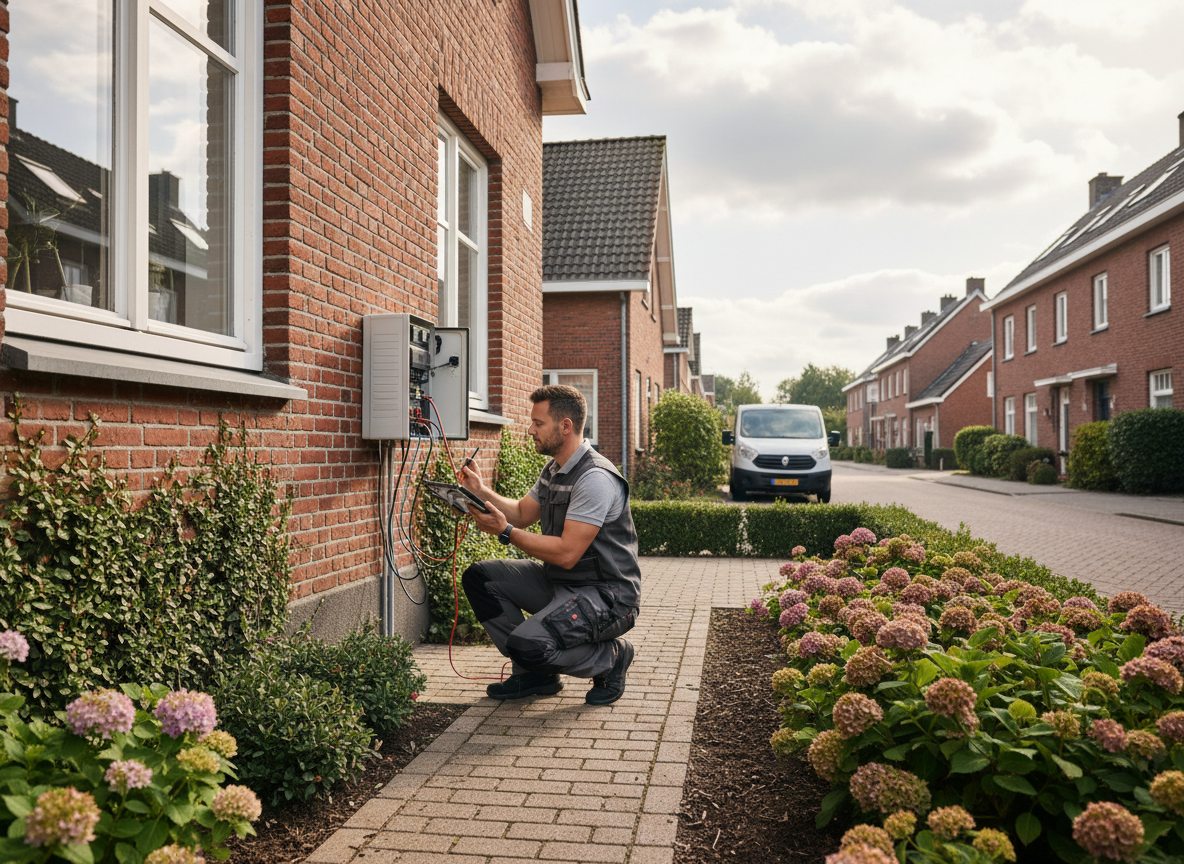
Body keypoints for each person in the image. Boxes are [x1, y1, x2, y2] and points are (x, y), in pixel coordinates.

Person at [458, 384, 640, 705]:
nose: (531, 430)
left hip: (607, 597)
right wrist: (482, 491)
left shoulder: (594, 478)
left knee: (528, 644)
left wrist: (504, 532)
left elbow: (567, 554)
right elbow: (522, 514)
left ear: (565, 426)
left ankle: (610, 658)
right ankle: (535, 676)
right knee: (481, 579)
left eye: (538, 423)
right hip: (561, 585)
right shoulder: (554, 469)